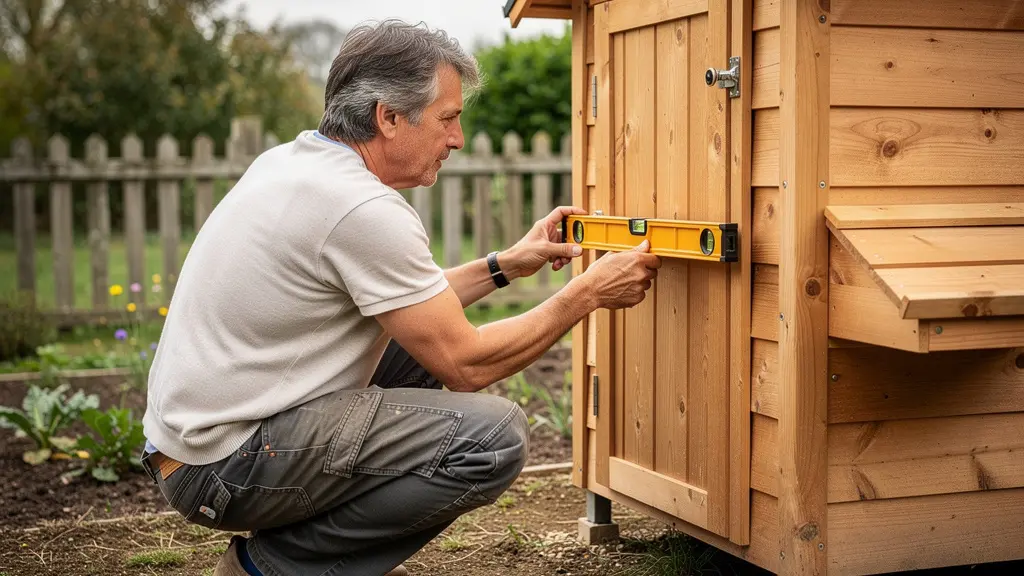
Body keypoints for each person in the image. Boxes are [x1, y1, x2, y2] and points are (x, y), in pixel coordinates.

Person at [139, 19, 661, 576]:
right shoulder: (361, 209)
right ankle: (267, 568)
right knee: (493, 438)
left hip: (193, 445)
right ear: (387, 117)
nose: (457, 139)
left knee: (417, 350)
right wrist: (587, 293)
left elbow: (417, 305)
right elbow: (466, 364)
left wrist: (505, 265)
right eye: (447, 118)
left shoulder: (296, 163)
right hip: (223, 464)